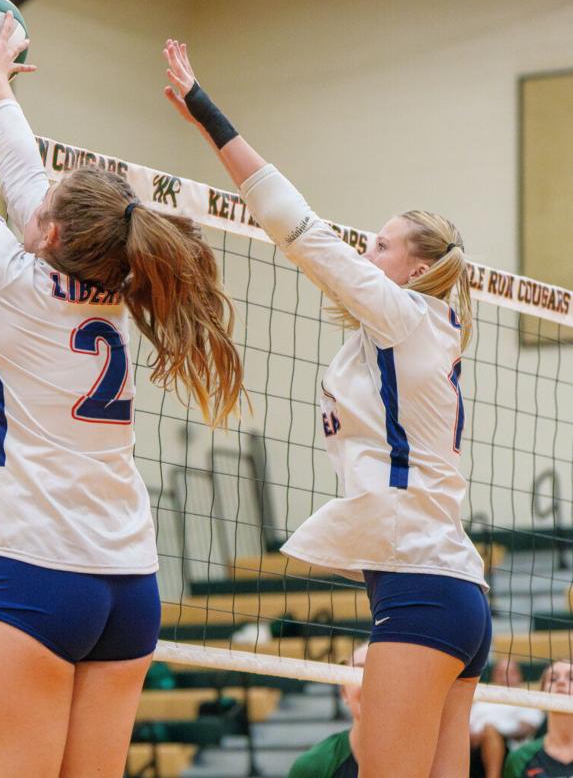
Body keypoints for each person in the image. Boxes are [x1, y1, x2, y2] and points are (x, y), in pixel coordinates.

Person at [0, 0, 246, 777]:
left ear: (48, 233)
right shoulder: (112, 284)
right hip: (129, 583)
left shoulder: (12, 280)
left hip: (39, 570)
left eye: (46, 204)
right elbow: (21, 175)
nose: (35, 194)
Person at [162, 38, 487, 778]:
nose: (365, 254)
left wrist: (206, 114)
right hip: (451, 593)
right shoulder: (423, 329)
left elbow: (291, 221)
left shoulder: (403, 312)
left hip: (422, 594)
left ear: (415, 266)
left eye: (377, 245)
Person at [289, 644, 369, 778]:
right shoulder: (313, 767)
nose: (370, 683)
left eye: (383, 673)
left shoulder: (416, 761)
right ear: (344, 692)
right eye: (359, 673)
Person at [471, 658, 542, 778]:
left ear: (520, 676)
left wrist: (495, 731)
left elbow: (526, 729)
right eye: (500, 673)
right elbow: (465, 728)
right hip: (473, 748)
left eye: (511, 673)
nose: (505, 677)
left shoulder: (528, 700)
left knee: (490, 731)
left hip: (510, 750)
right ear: (493, 677)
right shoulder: (482, 700)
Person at [504, 661, 571, 778]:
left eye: (571, 678)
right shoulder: (520, 758)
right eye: (553, 679)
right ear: (541, 694)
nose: (561, 682)